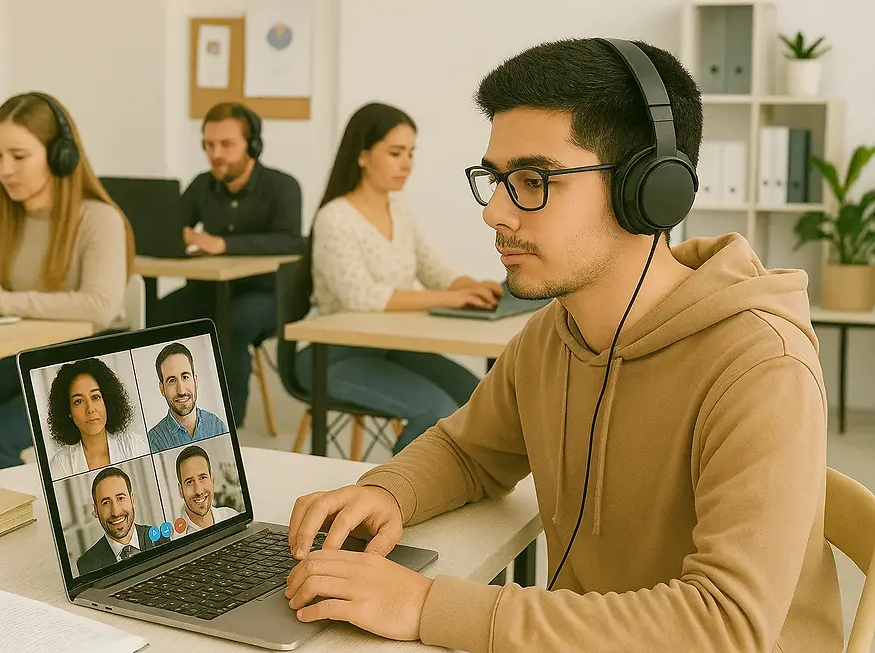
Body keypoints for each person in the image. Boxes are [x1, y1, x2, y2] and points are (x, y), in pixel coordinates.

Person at [282, 39, 842, 652]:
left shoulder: (761, 367)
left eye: (533, 179)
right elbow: (470, 451)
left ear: (648, 190)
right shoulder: (553, 335)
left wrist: (425, 604)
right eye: (496, 180)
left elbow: (724, 625)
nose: (495, 211)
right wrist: (387, 491)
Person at [0, 92, 135, 481]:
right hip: (28, 353)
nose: (5, 169)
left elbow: (99, 305)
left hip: (87, 360)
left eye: (18, 156)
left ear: (59, 154)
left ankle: (26, 529)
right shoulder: (4, 216)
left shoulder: (99, 218)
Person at [297, 102, 502, 453]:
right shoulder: (336, 218)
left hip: (390, 350)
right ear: (362, 156)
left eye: (410, 152)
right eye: (395, 152)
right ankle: (396, 496)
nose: (407, 163)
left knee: (478, 395)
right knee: (435, 409)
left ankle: (456, 486)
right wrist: (450, 299)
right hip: (331, 356)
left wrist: (471, 285)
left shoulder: (400, 210)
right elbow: (360, 297)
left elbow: (432, 269)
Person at [151, 102, 302, 430]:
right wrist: (173, 235)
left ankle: (228, 423)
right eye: (208, 144)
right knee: (157, 315)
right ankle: (160, 410)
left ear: (253, 145)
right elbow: (170, 228)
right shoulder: (202, 184)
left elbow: (292, 242)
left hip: (268, 294)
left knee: (232, 321)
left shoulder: (283, 186)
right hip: (212, 288)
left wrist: (224, 245)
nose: (215, 153)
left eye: (226, 144)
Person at [46, 357, 150, 480]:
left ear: (106, 401)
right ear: (68, 411)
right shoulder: (61, 465)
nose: (90, 409)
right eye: (78, 401)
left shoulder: (133, 445)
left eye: (95, 397)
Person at [76, 466, 168, 576]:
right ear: (96, 510)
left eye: (120, 498)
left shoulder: (160, 538)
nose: (115, 512)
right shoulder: (87, 564)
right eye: (106, 503)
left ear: (132, 500)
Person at [147, 342, 228, 454]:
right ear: (162, 389)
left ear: (195, 381)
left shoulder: (217, 426)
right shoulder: (154, 441)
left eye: (185, 377)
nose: (181, 391)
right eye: (172, 381)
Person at [171, 445, 240, 538]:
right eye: (190, 482)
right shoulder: (174, 538)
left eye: (203, 478)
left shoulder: (232, 516)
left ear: (212, 480)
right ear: (180, 490)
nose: (199, 491)